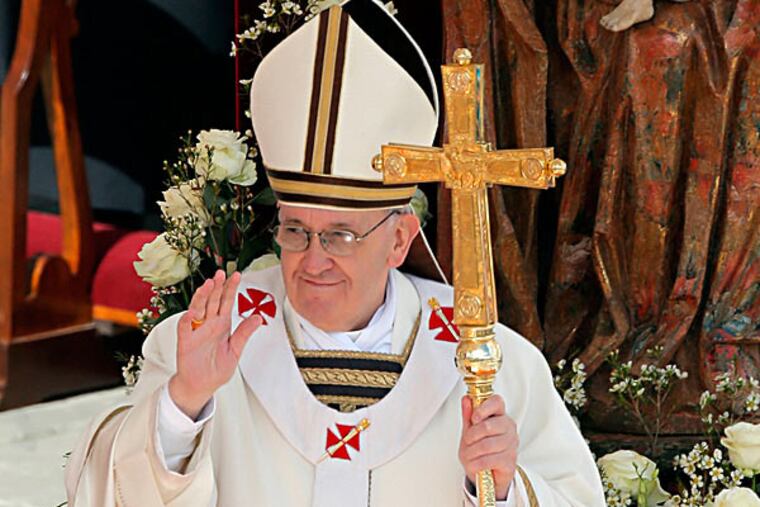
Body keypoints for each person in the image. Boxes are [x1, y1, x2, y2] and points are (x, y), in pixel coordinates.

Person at [65, 0, 605, 505]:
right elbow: (107, 489)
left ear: (399, 239)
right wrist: (184, 404)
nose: (312, 259)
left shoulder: (494, 362)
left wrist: (499, 486)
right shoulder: (205, 343)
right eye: (296, 230)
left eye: (340, 236)